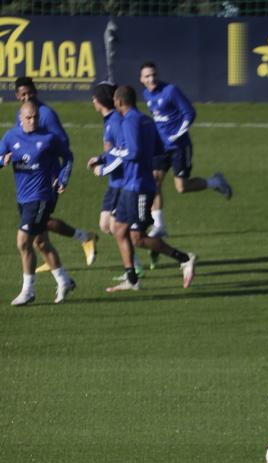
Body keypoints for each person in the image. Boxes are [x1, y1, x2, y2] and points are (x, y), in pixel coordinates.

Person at [90, 85, 196, 292]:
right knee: (119, 230)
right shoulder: (146, 119)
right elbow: (158, 148)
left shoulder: (130, 121)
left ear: (119, 102)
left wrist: (108, 162)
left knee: (137, 238)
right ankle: (132, 278)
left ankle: (184, 258)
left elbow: (134, 152)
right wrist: (108, 156)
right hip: (131, 185)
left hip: (139, 186)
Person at [139, 62, 232, 239]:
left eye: (154, 75)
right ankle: (159, 226)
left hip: (179, 146)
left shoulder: (171, 91)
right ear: (141, 79)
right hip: (160, 147)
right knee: (154, 182)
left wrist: (177, 134)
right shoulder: (146, 94)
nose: (151, 79)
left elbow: (190, 113)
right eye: (147, 76)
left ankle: (216, 182)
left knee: (181, 187)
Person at [14, 76, 98, 269]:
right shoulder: (22, 115)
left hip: (47, 178)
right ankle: (53, 257)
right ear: (18, 96)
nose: (27, 97)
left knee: (38, 222)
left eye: (30, 93)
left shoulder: (46, 114)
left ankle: (84, 238)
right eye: (23, 94)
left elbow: (64, 145)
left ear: (36, 91)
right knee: (39, 228)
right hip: (29, 180)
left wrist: (61, 175)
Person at [0, 102, 76, 306]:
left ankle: (28, 290)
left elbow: (68, 156)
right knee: (40, 242)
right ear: (20, 118)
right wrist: (3, 159)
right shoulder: (10, 137)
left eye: (35, 117)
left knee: (22, 241)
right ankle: (64, 280)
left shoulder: (49, 138)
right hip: (22, 199)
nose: (32, 121)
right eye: (28, 118)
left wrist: (63, 178)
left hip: (42, 197)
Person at [88, 82, 144, 280]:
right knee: (106, 226)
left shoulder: (116, 122)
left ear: (101, 100)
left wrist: (103, 169)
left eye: (94, 97)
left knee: (115, 227)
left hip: (122, 183)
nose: (92, 100)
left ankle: (135, 265)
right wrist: (101, 158)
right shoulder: (109, 120)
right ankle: (134, 264)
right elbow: (113, 150)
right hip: (115, 182)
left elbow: (123, 154)